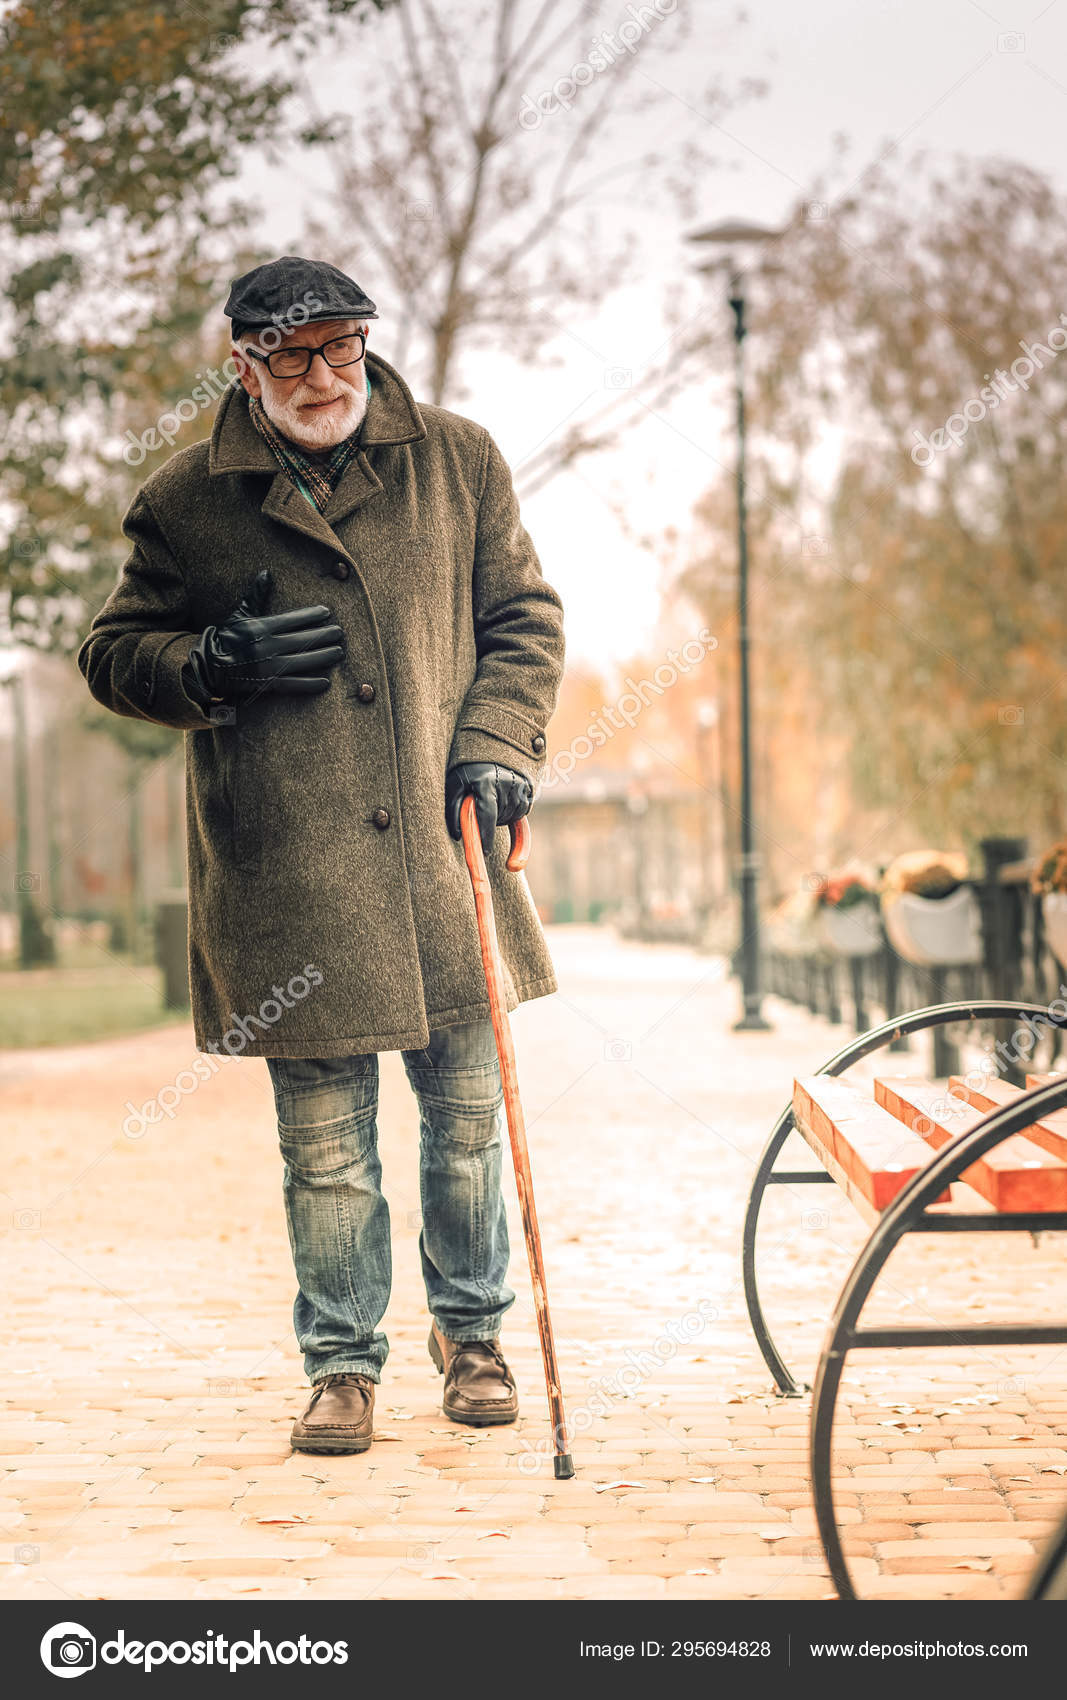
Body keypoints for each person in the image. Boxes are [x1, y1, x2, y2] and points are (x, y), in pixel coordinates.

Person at [78, 255, 565, 1454]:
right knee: (326, 1143)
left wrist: (497, 743)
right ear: (241, 364)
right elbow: (112, 649)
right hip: (290, 874)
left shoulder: (456, 459)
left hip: (443, 853)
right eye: (289, 355)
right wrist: (208, 665)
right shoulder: (184, 498)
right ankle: (342, 1362)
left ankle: (477, 1330)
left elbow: (523, 621)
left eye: (340, 346)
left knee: (464, 1120)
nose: (320, 375)